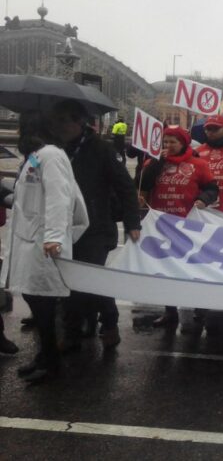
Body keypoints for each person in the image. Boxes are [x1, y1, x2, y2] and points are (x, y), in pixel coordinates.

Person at [49, 100, 141, 351]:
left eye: (64, 120)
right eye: (56, 121)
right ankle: (75, 329)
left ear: (80, 122)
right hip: (64, 226)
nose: (60, 126)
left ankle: (107, 322)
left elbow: (125, 187)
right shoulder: (54, 149)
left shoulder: (101, 149)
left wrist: (133, 222)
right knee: (69, 280)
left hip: (96, 227)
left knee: (91, 278)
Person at [5, 111, 89, 383]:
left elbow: (59, 197)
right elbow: (28, 196)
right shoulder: (36, 157)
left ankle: (51, 363)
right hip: (30, 241)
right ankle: (44, 356)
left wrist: (54, 236)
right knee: (35, 299)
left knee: (43, 304)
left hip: (44, 244)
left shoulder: (51, 155)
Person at [139, 126, 219, 329]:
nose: (168, 146)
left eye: (172, 142)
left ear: (183, 143)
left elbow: (212, 188)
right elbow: (143, 186)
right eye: (165, 142)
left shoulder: (198, 164)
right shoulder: (153, 163)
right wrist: (156, 163)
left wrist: (203, 199)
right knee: (166, 269)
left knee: (193, 268)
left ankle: (200, 308)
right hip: (162, 224)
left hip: (189, 225)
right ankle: (170, 310)